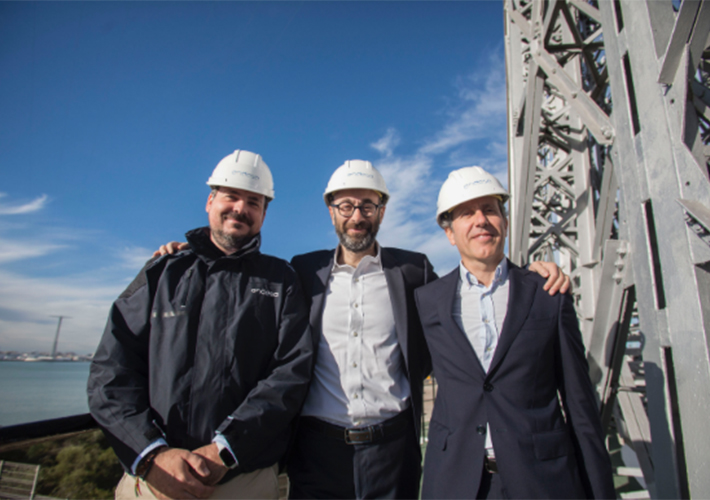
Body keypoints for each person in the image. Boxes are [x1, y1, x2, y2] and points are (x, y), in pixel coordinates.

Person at [154, 160, 569, 499]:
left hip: (393, 451)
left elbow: (469, 290)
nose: (357, 217)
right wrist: (189, 252)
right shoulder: (302, 270)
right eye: (346, 206)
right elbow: (244, 273)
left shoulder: (413, 269)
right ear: (331, 211)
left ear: (382, 212)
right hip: (316, 451)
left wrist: (528, 274)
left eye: (368, 206)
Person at [87, 150, 313, 500]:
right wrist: (151, 455)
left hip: (243, 481)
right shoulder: (161, 272)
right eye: (231, 196)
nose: (240, 208)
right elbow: (110, 372)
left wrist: (225, 449)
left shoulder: (281, 280)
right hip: (153, 481)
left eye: (253, 202)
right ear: (210, 201)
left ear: (264, 214)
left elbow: (291, 373)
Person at [414, 166, 615, 499]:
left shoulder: (547, 294)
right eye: (466, 213)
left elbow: (580, 405)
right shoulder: (427, 301)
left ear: (504, 222)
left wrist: (600, 491)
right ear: (449, 233)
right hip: (456, 483)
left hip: (541, 481)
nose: (480, 220)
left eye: (490, 210)